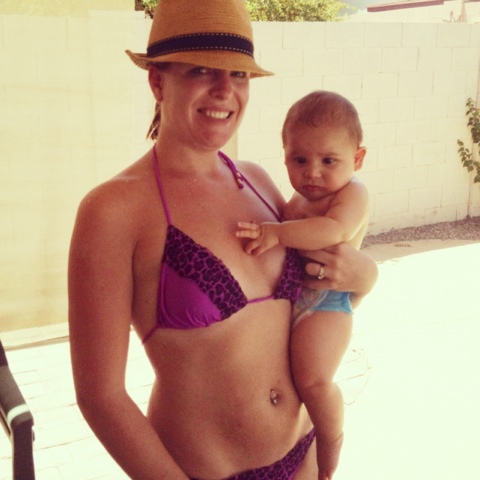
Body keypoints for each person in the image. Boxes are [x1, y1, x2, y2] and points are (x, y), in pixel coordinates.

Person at [68, 1, 377, 479]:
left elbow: (321, 296)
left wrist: (366, 277)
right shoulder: (114, 210)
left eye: (238, 74)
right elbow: (100, 396)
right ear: (157, 82)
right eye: (200, 70)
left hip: (304, 452)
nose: (224, 90)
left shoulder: (259, 183)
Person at [236, 90, 369, 479]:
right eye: (300, 160)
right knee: (295, 376)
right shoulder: (297, 198)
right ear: (285, 156)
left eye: (329, 160)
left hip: (326, 305)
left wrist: (276, 233)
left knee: (313, 381)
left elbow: (334, 230)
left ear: (357, 159)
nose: (312, 172)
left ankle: (331, 438)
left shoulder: (352, 194)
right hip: (296, 300)